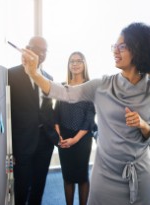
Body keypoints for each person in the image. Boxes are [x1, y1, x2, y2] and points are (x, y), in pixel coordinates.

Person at [22, 22, 150, 205]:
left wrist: (143, 125)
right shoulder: (101, 86)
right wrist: (34, 74)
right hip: (105, 174)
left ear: (139, 50)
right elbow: (64, 93)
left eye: (122, 47)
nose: (115, 51)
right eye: (115, 46)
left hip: (141, 174)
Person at [8, 36, 58, 205]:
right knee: (22, 187)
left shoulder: (48, 77)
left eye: (45, 51)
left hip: (45, 141)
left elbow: (48, 108)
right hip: (23, 142)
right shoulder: (11, 74)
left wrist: (55, 133)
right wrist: (11, 147)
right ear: (27, 48)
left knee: (39, 186)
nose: (41, 53)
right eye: (37, 48)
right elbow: (9, 112)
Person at [54, 51, 96, 205]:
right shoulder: (62, 87)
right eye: (72, 61)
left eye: (79, 61)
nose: (75, 64)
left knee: (82, 177)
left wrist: (75, 139)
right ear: (68, 65)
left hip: (83, 137)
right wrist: (59, 136)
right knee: (68, 176)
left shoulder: (90, 87)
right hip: (64, 137)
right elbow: (56, 114)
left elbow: (90, 117)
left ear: (84, 64)